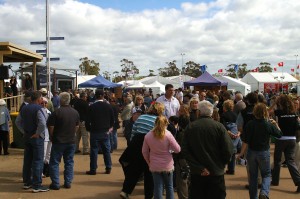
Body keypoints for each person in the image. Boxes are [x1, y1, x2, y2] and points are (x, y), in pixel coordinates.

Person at [182, 100, 233, 199]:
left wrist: (198, 167)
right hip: (215, 173)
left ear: (198, 112)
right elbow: (228, 149)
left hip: (198, 174)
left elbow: (185, 150)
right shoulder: (219, 127)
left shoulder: (191, 127)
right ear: (211, 113)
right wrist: (221, 164)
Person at [119, 102, 165, 199]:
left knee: (134, 170)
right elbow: (161, 136)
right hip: (150, 147)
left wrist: (132, 145)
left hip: (136, 145)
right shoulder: (159, 120)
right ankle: (148, 196)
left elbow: (133, 132)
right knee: (149, 173)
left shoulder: (142, 117)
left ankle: (125, 191)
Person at [237, 103, 282, 199]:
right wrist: (276, 124)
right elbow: (279, 134)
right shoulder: (268, 124)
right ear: (265, 113)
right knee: (266, 174)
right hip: (264, 152)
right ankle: (264, 192)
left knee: (253, 177)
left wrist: (241, 153)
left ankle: (254, 197)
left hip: (251, 152)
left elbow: (245, 140)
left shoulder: (250, 124)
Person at [15, 91, 49, 193]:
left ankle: (27, 182)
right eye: (41, 98)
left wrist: (24, 132)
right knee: (38, 161)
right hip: (36, 138)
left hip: (27, 136)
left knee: (27, 160)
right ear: (38, 99)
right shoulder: (39, 109)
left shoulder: (24, 108)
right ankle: (37, 185)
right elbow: (42, 123)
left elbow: (17, 122)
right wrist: (38, 133)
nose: (42, 100)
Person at [142, 115, 181, 199]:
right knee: (169, 187)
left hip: (154, 165)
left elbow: (144, 151)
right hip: (167, 165)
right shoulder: (168, 134)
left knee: (157, 187)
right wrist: (171, 150)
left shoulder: (148, 135)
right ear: (166, 124)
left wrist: (149, 162)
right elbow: (178, 149)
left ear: (155, 123)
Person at [48, 92, 80, 190]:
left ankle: (56, 183)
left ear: (61, 100)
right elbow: (77, 126)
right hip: (71, 141)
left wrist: (52, 136)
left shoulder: (56, 112)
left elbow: (51, 127)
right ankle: (68, 182)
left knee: (54, 162)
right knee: (69, 162)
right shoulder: (75, 112)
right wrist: (72, 134)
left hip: (58, 141)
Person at [270, 95, 300, 193]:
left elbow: (267, 112)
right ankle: (298, 181)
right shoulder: (294, 113)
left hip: (281, 138)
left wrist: (274, 103)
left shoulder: (279, 112)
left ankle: (275, 180)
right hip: (292, 139)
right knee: (290, 161)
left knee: (277, 160)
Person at [85, 89, 114, 175]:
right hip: (105, 131)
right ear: (103, 96)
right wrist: (108, 128)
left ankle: (93, 169)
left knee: (94, 151)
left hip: (94, 131)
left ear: (96, 96)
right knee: (106, 150)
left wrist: (89, 129)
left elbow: (87, 121)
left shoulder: (91, 106)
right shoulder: (108, 106)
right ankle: (108, 167)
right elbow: (112, 120)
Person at [221, 99, 241, 175]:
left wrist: (229, 132)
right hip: (236, 133)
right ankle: (231, 169)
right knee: (233, 152)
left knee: (225, 150)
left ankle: (222, 167)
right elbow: (239, 125)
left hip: (228, 132)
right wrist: (238, 133)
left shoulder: (223, 115)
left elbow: (223, 125)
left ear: (224, 107)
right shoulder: (236, 114)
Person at [40, 97, 52, 177]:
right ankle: (40, 172)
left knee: (48, 154)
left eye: (45, 103)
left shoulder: (49, 113)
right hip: (42, 136)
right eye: (42, 103)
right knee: (43, 154)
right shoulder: (38, 112)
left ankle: (47, 170)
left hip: (49, 136)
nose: (44, 104)